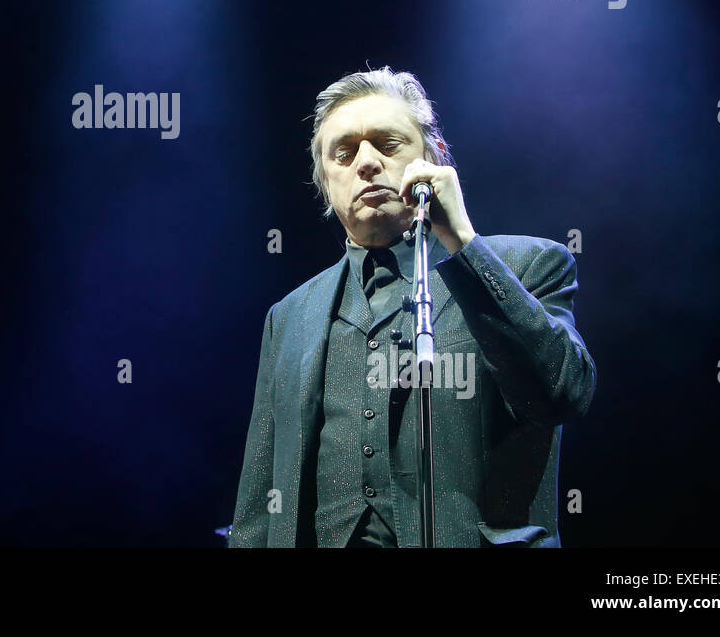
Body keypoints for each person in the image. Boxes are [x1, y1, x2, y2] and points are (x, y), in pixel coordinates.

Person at [230, 66, 596, 547]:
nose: (365, 163)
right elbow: (259, 500)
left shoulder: (529, 264)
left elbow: (562, 393)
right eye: (344, 153)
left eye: (387, 144)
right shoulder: (290, 316)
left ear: (435, 157)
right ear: (324, 182)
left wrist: (462, 242)